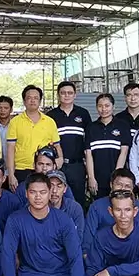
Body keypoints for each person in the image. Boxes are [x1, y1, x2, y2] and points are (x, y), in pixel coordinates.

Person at [2, 173, 88, 276]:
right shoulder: (16, 219)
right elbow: (7, 256)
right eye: (33, 192)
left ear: (49, 193)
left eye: (42, 192)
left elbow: (76, 258)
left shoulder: (64, 220)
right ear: (26, 193)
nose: (38, 197)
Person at [6, 85, 62, 192]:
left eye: (36, 98)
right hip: (22, 169)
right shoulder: (15, 122)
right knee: (22, 198)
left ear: (40, 101)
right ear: (24, 101)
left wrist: (60, 160)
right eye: (29, 98)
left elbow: (57, 145)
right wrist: (11, 175)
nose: (32, 101)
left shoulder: (49, 122)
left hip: (44, 170)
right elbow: (10, 149)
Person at [83, 169, 139, 255]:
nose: (123, 189)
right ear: (111, 184)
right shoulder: (97, 207)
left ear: (133, 188)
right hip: (103, 256)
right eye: (119, 185)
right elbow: (88, 240)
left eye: (127, 186)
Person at [46, 81, 91, 209]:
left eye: (70, 93)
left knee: (78, 200)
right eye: (63, 93)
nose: (66, 96)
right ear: (58, 95)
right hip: (57, 166)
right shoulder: (51, 116)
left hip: (77, 166)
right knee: (55, 199)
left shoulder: (83, 114)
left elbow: (88, 140)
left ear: (75, 95)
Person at [85, 93, 131, 198]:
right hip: (97, 180)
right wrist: (91, 178)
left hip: (117, 179)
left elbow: (123, 153)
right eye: (100, 106)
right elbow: (88, 154)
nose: (103, 109)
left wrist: (116, 178)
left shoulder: (122, 125)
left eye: (107, 106)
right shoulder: (91, 127)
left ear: (113, 107)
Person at [47, 170, 85, 240]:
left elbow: (77, 238)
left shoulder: (74, 208)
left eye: (59, 186)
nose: (54, 191)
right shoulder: (36, 207)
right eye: (50, 186)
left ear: (65, 189)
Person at [0, 96, 14, 165]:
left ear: (11, 110)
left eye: (6, 108)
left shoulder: (15, 125)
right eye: (0, 108)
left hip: (13, 164)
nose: (3, 110)